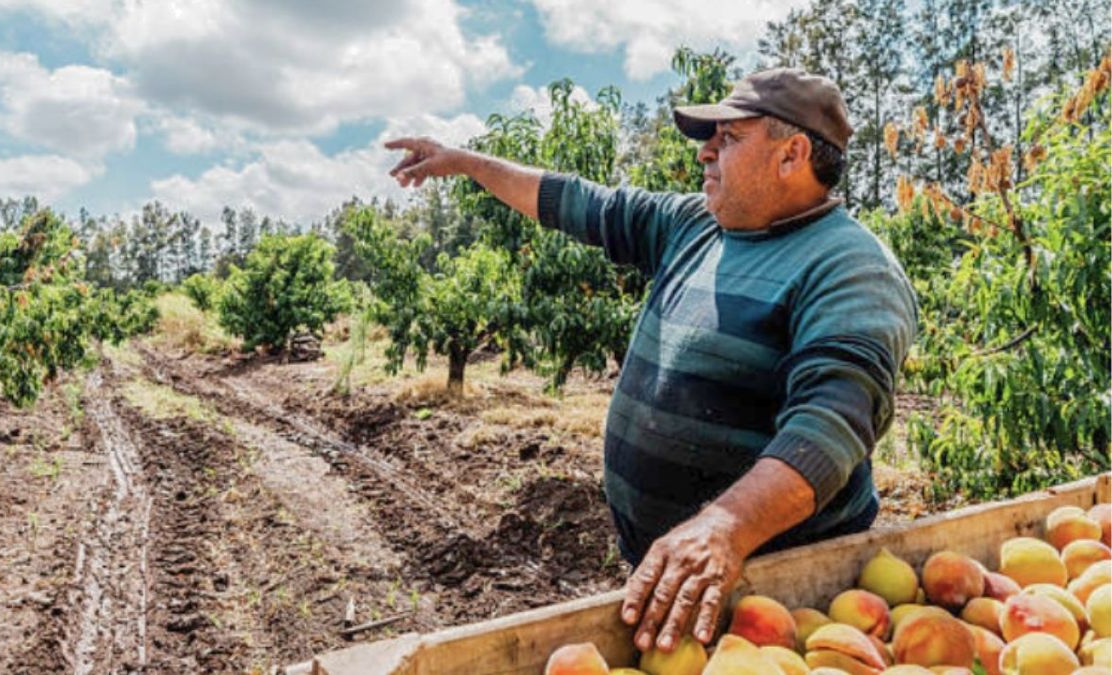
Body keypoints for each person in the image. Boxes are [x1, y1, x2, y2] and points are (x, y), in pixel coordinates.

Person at [385, 68, 917, 654]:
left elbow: (832, 425)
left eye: (728, 138)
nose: (705, 153)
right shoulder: (693, 226)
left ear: (791, 154)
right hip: (679, 571)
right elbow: (574, 201)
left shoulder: (849, 267)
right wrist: (466, 163)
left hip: (780, 594)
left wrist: (725, 528)